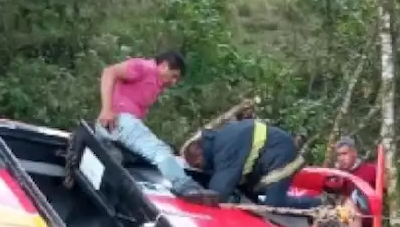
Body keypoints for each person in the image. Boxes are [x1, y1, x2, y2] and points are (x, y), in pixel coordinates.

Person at [96, 51, 212, 202]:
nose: (173, 82)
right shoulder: (143, 67)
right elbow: (109, 72)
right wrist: (106, 109)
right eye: (174, 76)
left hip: (116, 127)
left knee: (136, 156)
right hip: (120, 120)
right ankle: (185, 186)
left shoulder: (154, 84)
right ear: (163, 66)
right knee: (159, 150)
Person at [179, 117, 326, 210]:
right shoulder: (219, 141)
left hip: (281, 155)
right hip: (267, 155)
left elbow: (218, 193)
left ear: (200, 154)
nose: (202, 168)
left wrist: (193, 194)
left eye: (199, 165)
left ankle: (319, 203)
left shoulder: (226, 150)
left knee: (273, 204)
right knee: (248, 194)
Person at [327, 136, 382, 227]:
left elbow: (384, 190)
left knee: (350, 204)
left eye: (344, 154)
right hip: (341, 222)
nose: (341, 158)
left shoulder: (370, 170)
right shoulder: (336, 174)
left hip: (367, 222)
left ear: (354, 154)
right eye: (338, 155)